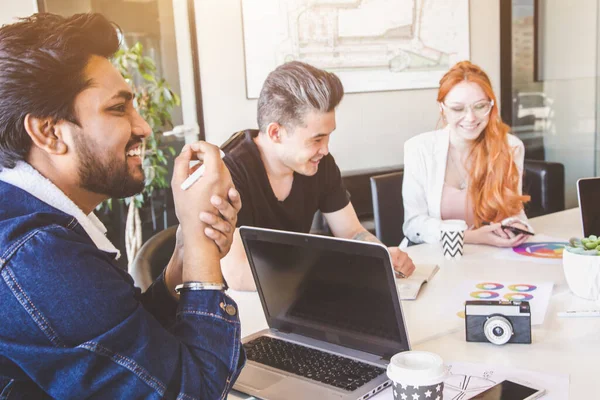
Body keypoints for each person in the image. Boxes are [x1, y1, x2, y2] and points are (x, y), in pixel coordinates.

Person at [0, 13, 245, 399]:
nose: (144, 126)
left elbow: (123, 346)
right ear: (48, 132)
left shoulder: (33, 226)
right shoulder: (37, 255)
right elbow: (193, 392)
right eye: (118, 109)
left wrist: (182, 262)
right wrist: (200, 243)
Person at [219, 61, 415, 291]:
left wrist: (381, 256)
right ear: (276, 133)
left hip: (294, 296)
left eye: (328, 137)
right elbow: (239, 275)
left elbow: (352, 231)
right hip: (236, 308)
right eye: (316, 139)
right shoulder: (229, 174)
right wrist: (331, 272)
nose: (325, 149)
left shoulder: (319, 164)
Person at [402, 61, 532, 247]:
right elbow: (413, 225)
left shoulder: (511, 147)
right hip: (436, 257)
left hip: (492, 255)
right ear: (442, 108)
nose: (471, 118)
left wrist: (515, 225)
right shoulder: (419, 149)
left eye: (480, 107)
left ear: (491, 105)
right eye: (458, 109)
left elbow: (514, 212)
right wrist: (473, 237)